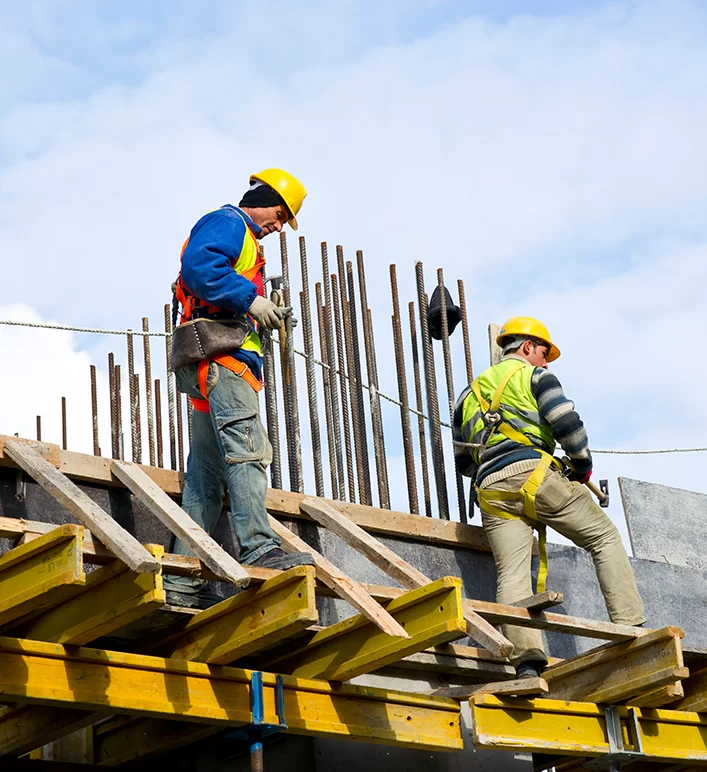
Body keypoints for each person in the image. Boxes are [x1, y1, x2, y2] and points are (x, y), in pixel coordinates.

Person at [453, 316, 645, 678]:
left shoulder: (467, 395)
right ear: (527, 347)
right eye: (544, 353)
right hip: (535, 474)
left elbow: (464, 462)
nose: (546, 362)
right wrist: (582, 466)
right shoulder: (536, 377)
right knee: (604, 537)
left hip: (491, 490)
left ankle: (526, 662)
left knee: (512, 573)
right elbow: (567, 424)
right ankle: (632, 628)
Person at [165, 168, 314, 608]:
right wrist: (251, 300)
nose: (279, 227)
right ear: (263, 199)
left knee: (205, 478)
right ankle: (259, 547)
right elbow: (200, 267)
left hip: (209, 365)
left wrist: (258, 307)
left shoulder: (244, 239)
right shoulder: (230, 223)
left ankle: (181, 579)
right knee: (248, 452)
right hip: (224, 363)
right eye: (280, 215)